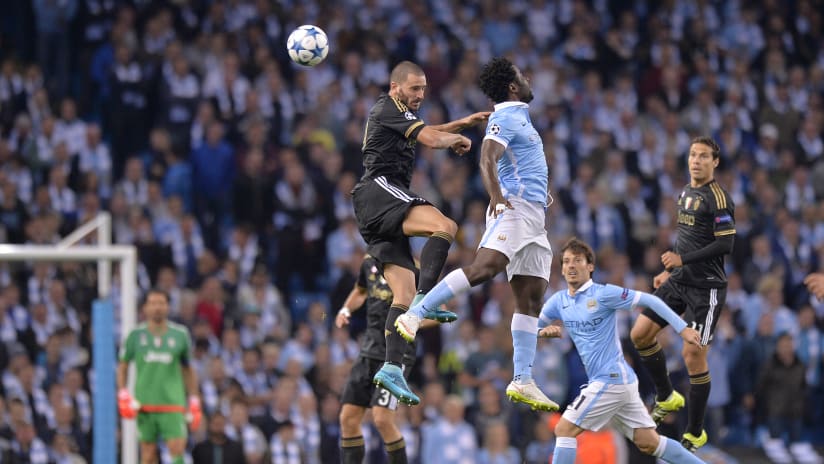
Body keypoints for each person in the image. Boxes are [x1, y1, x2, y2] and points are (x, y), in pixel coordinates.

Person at [395, 56, 557, 411]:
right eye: (522, 75)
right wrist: (497, 196)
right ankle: (416, 313)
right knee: (485, 268)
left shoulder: (521, 118)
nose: (528, 78)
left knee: (531, 298)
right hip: (512, 209)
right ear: (513, 87)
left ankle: (523, 379)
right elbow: (487, 157)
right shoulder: (505, 116)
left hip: (534, 216)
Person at [352, 60, 490, 405]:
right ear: (395, 87)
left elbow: (424, 128)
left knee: (402, 291)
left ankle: (391, 366)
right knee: (445, 226)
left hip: (374, 210)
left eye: (424, 89)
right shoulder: (386, 107)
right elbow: (428, 136)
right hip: (379, 192)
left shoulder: (398, 115)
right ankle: (425, 302)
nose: (420, 95)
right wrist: (453, 138)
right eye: (414, 89)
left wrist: (460, 123)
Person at [539, 238, 704, 464]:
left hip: (611, 380)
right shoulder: (558, 300)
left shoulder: (604, 294)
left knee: (564, 429)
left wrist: (682, 328)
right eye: (566, 261)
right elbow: (534, 326)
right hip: (619, 382)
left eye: (577, 261)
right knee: (650, 442)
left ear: (590, 267)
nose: (571, 266)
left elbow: (651, 301)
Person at [629, 136, 735, 451]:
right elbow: (687, 238)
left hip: (707, 290)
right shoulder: (685, 192)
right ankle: (667, 395)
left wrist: (681, 260)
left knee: (692, 354)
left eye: (704, 156)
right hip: (679, 280)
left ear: (715, 162)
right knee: (640, 334)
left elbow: (725, 244)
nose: (696, 161)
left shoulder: (719, 198)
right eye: (692, 155)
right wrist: (670, 270)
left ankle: (696, 430)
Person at [336, 254, 432, 464]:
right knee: (348, 418)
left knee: (382, 419)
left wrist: (412, 322)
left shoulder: (416, 270)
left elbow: (438, 311)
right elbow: (360, 290)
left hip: (396, 354)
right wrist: (346, 308)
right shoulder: (369, 262)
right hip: (369, 350)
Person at [117, 289, 203, 464]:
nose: (157, 308)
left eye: (161, 303)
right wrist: (123, 393)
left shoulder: (180, 335)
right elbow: (123, 366)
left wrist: (194, 399)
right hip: (145, 404)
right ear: (145, 308)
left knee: (177, 449)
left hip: (173, 403)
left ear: (168, 307)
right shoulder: (135, 336)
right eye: (153, 303)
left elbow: (188, 369)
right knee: (148, 454)